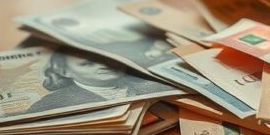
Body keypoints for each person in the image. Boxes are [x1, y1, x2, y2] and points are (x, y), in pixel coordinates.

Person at [26, 50, 165, 113]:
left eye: (109, 59)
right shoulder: (50, 105)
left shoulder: (155, 86)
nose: (104, 65)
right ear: (64, 72)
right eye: (87, 63)